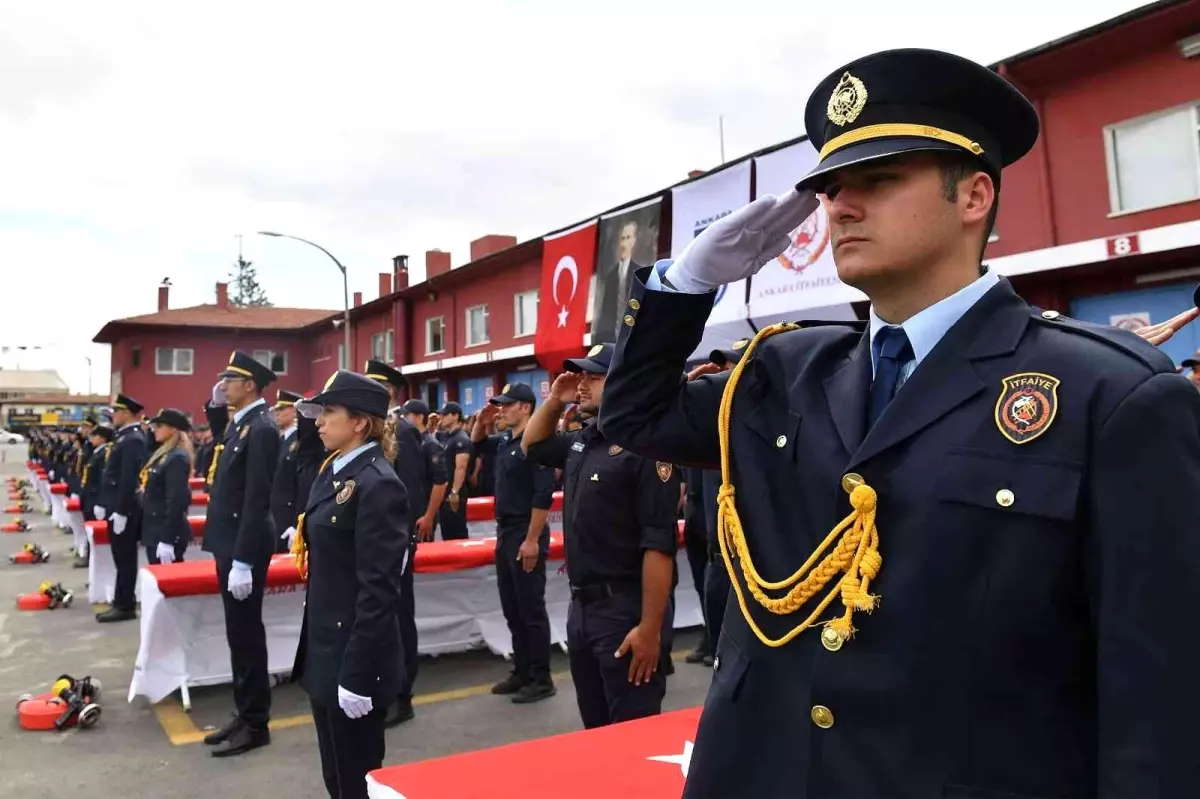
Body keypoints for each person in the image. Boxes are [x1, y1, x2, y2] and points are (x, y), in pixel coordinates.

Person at [598, 48, 1200, 798]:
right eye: (830, 188)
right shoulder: (784, 369)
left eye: (878, 180)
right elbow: (635, 414)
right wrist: (686, 283)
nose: (840, 207)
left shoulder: (1107, 394)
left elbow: (1158, 700)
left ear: (974, 195)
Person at [523, 343, 679, 728]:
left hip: (624, 610)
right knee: (595, 732)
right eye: (582, 376)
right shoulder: (585, 440)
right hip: (582, 609)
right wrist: (555, 401)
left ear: (624, 382)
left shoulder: (645, 447)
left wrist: (649, 629)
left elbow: (659, 547)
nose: (582, 384)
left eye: (594, 377)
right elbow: (533, 445)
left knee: (632, 732)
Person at [290, 370, 409, 799]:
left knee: (356, 781)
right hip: (326, 650)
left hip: (353, 657)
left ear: (359, 422)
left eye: (329, 412)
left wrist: (358, 674)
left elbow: (378, 591)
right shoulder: (335, 471)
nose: (319, 421)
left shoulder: (378, 484)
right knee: (335, 776)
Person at [201, 351, 280, 757]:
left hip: (242, 544)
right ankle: (244, 711)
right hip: (229, 540)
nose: (223, 385)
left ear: (250, 385)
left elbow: (256, 497)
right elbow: (221, 447)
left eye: (229, 380)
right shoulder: (243, 423)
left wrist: (245, 559)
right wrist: (215, 406)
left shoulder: (262, 428)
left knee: (247, 635)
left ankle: (256, 723)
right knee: (238, 633)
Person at [364, 359, 447, 725]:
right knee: (376, 616)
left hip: (393, 540)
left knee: (397, 617)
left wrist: (401, 540)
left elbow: (408, 491)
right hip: (369, 538)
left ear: (387, 392)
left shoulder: (402, 430)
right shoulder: (367, 427)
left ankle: (402, 694)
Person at [472, 384, 557, 703]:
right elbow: (478, 444)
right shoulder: (507, 441)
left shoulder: (536, 442)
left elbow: (543, 496)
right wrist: (481, 422)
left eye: (508, 405)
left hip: (525, 531)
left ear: (526, 408)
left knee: (530, 609)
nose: (502, 410)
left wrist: (532, 540)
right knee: (512, 608)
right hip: (506, 532)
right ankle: (522, 671)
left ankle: (541, 678)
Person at [94, 394, 148, 623]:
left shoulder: (133, 439)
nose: (113, 416)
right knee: (120, 557)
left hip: (124, 508)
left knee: (125, 558)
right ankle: (122, 600)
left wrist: (122, 510)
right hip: (116, 504)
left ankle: (125, 605)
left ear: (126, 413)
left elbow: (129, 478)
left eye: (116, 412)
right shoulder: (124, 437)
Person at [140, 408, 195, 565]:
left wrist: (168, 539)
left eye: (159, 426)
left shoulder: (177, 458)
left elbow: (176, 500)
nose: (154, 430)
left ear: (173, 429)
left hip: (164, 531)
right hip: (155, 529)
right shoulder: (165, 454)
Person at [77, 424, 113, 568]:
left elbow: (102, 480)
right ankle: (89, 556)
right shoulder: (96, 452)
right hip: (89, 496)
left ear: (103, 438)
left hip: (95, 497)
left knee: (94, 531)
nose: (91, 438)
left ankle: (92, 559)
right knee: (89, 528)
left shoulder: (104, 454)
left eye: (94, 436)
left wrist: (101, 502)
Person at [271, 389, 303, 554]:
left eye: (282, 409)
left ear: (295, 411)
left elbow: (302, 485)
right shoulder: (281, 440)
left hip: (289, 515)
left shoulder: (300, 441)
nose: (277, 413)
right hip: (276, 514)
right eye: (277, 409)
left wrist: (296, 524)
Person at [437, 402, 473, 540]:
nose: (441, 417)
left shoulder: (461, 439)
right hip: (444, 493)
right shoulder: (446, 436)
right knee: (447, 533)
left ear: (455, 416)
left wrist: (454, 492)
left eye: (445, 415)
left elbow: (461, 467)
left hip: (454, 493)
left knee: (457, 532)